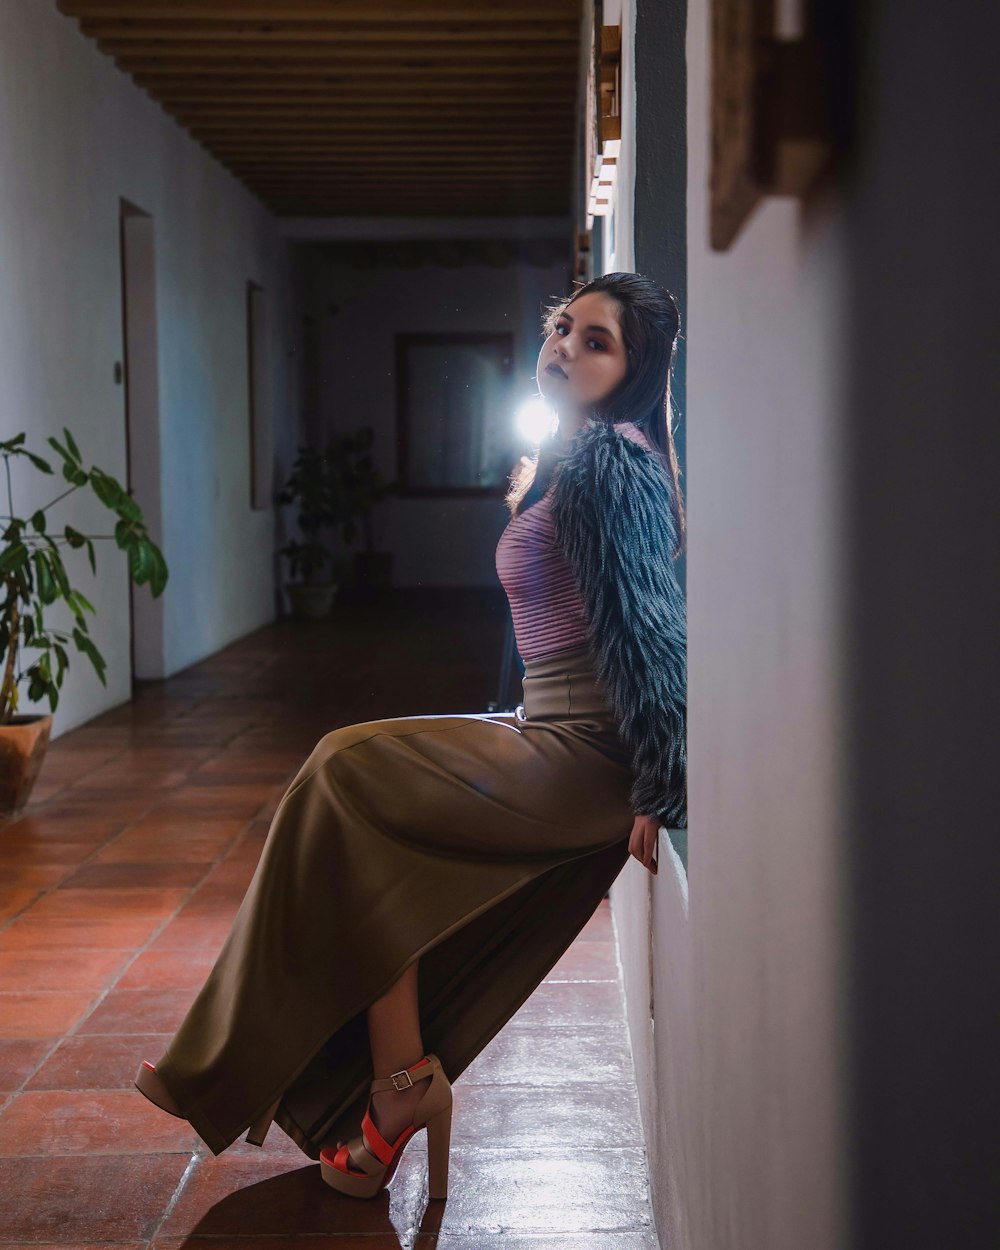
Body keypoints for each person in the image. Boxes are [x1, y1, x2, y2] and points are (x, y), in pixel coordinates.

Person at [133, 270, 687, 1203]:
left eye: (599, 342)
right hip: (549, 727)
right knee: (362, 823)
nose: (566, 349)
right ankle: (399, 1089)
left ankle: (232, 1064)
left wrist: (661, 780)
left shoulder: (611, 464)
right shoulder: (574, 454)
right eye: (564, 329)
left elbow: (653, 630)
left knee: (346, 771)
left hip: (590, 752)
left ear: (636, 371)